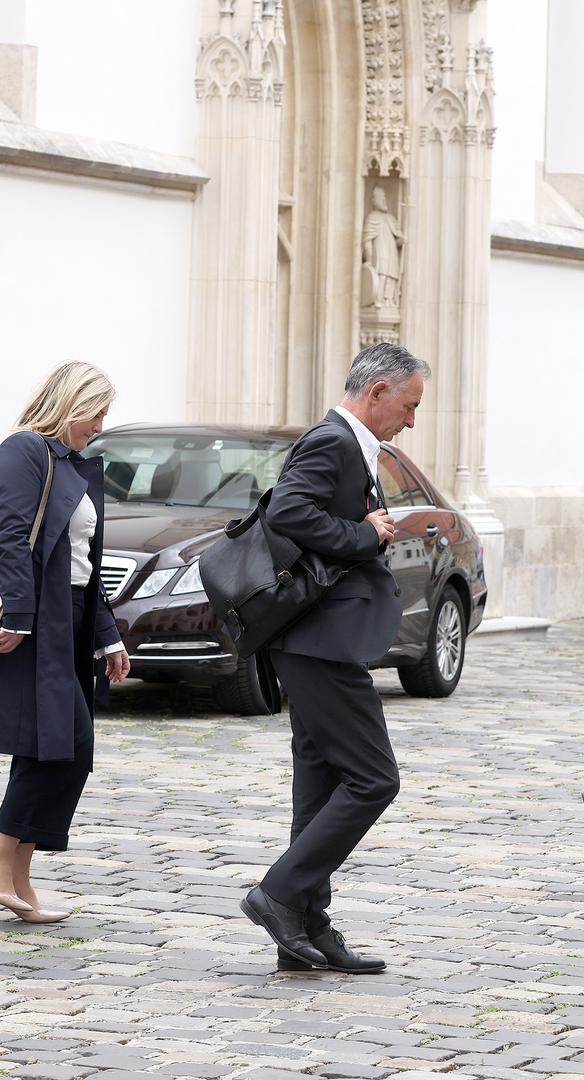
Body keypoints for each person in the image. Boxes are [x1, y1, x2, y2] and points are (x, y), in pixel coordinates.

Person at [239, 342, 427, 975]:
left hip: (317, 640)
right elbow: (290, 510)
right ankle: (280, 893)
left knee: (318, 784)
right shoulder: (334, 441)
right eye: (408, 405)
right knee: (376, 778)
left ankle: (307, 921)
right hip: (320, 643)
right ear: (375, 393)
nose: (410, 420)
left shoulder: (347, 444)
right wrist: (362, 534)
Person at [0, 361, 130, 923]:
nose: (100, 425)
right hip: (32, 618)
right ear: (70, 403)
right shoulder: (22, 452)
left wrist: (107, 637)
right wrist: (21, 619)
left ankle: (18, 877)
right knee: (64, 743)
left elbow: (87, 564)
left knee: (53, 747)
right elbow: (5, 537)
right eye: (95, 412)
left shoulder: (69, 463)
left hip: (69, 617)